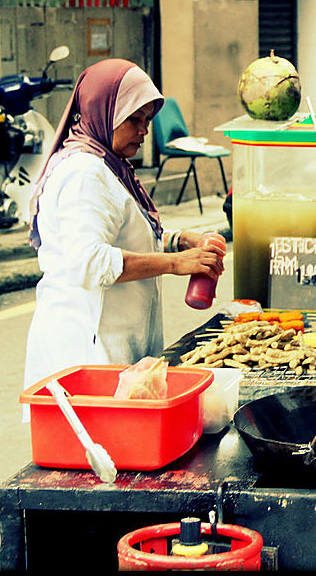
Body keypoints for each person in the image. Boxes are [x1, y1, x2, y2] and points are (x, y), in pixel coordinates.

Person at [22, 59, 225, 415]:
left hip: (115, 347)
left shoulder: (109, 165)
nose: (144, 130)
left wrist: (177, 240)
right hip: (86, 350)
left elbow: (122, 233)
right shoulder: (84, 173)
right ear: (103, 109)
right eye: (134, 118)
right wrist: (176, 263)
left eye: (147, 120)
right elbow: (89, 262)